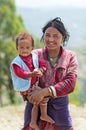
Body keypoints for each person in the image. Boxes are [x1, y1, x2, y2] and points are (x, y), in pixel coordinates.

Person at [21, 17, 78, 130]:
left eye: (55, 36)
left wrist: (44, 92)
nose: (50, 39)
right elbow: (23, 79)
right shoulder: (34, 55)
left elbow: (70, 83)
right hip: (35, 108)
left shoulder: (70, 56)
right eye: (47, 35)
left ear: (63, 38)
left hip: (59, 110)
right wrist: (30, 93)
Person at [10, 32, 54, 130]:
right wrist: (31, 74)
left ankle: (41, 116)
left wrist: (41, 70)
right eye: (21, 48)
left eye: (27, 47)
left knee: (43, 97)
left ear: (32, 48)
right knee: (37, 101)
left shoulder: (33, 57)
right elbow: (20, 73)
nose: (24, 50)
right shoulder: (17, 62)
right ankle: (35, 121)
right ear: (17, 48)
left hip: (33, 85)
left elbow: (42, 64)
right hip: (26, 87)